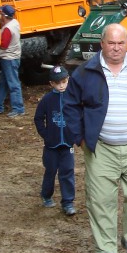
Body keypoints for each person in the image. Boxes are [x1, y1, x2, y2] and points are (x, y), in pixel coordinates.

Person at [62, 23, 127, 253]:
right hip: (101, 147)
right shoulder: (86, 71)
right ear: (102, 44)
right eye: (111, 43)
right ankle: (105, 250)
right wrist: (81, 137)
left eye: (121, 43)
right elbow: (70, 106)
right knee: (100, 200)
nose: (116, 48)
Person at [34, 65, 76, 216]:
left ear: (68, 80)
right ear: (51, 84)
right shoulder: (47, 100)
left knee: (67, 172)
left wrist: (74, 134)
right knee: (50, 171)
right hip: (51, 145)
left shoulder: (72, 98)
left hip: (67, 145)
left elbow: (78, 116)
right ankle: (46, 195)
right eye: (57, 83)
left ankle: (68, 202)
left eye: (64, 82)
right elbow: (38, 118)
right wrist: (46, 134)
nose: (61, 86)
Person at [0, 4, 25, 118]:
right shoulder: (14, 23)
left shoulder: (8, 29)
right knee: (4, 83)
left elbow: (3, 45)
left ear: (4, 15)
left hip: (8, 59)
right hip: (12, 58)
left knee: (13, 84)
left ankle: (18, 108)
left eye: (0, 13)